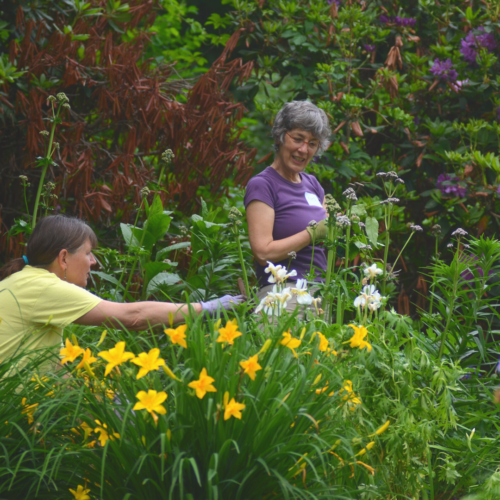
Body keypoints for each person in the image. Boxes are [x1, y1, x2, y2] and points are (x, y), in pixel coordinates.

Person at [0, 215, 243, 365]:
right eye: (88, 253)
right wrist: (209, 308)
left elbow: (51, 365)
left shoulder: (23, 281)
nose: (94, 262)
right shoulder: (44, 287)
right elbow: (132, 317)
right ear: (63, 258)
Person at [244, 101, 331, 311]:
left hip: (319, 294)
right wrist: (312, 233)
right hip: (283, 295)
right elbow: (263, 253)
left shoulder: (313, 185)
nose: (304, 149)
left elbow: (328, 229)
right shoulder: (263, 185)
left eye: (312, 143)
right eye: (298, 139)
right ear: (280, 136)